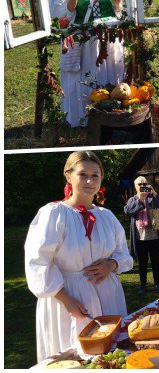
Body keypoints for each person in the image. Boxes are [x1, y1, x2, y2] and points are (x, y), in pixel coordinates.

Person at [24, 151, 133, 362]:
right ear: (69, 176)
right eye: (83, 174)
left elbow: (123, 253)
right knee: (72, 358)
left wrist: (112, 264)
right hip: (69, 298)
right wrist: (65, 299)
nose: (90, 181)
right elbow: (38, 262)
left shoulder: (106, 216)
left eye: (96, 175)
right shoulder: (53, 214)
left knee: (111, 355)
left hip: (108, 293)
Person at [48, 0, 125, 127]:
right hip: (82, 43)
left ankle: (110, 115)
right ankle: (83, 119)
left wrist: (118, 5)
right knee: (82, 77)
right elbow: (58, 16)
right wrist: (72, 3)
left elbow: (122, 13)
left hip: (107, 41)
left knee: (109, 74)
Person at [124, 176, 159, 295]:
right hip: (140, 238)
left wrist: (154, 193)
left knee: (155, 262)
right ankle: (143, 285)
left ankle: (157, 284)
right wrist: (140, 199)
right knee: (142, 263)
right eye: (139, 184)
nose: (142, 185)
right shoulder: (133, 199)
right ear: (135, 187)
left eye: (144, 183)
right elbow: (128, 211)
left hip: (154, 237)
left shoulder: (152, 198)